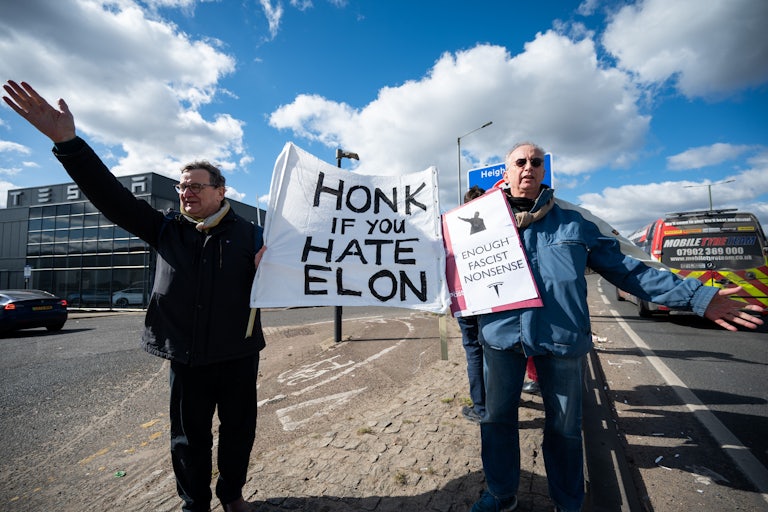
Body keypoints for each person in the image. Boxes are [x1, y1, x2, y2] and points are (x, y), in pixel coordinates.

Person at [3, 80, 266, 512]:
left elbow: (297, 273)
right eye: (183, 187)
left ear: (221, 190)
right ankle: (194, 502)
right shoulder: (164, 228)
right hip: (185, 355)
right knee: (187, 437)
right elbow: (110, 196)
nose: (187, 193)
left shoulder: (253, 235)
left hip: (238, 353)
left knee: (239, 430)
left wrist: (269, 268)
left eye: (197, 186)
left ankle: (231, 494)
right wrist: (68, 144)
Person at [470, 141, 765, 512]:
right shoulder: (480, 226)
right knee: (496, 420)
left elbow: (630, 271)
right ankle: (500, 495)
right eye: (520, 162)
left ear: (544, 171)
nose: (528, 167)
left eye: (536, 162)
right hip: (501, 340)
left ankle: (568, 502)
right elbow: (445, 266)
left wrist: (699, 298)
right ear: (506, 172)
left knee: (564, 430)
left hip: (561, 343)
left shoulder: (575, 222)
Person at [458, 185, 487, 423]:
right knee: (497, 349)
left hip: (466, 298)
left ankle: (481, 407)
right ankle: (504, 397)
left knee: (474, 351)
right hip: (496, 298)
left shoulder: (453, 227)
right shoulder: (497, 223)